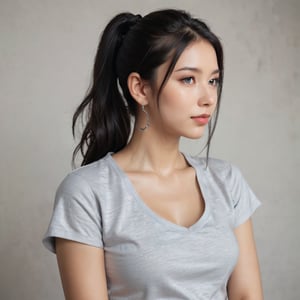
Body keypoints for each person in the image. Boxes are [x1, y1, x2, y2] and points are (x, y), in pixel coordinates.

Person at [43, 9, 263, 300]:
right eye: (188, 79)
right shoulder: (87, 193)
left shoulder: (227, 181)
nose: (208, 98)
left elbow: (248, 294)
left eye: (213, 80)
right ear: (140, 88)